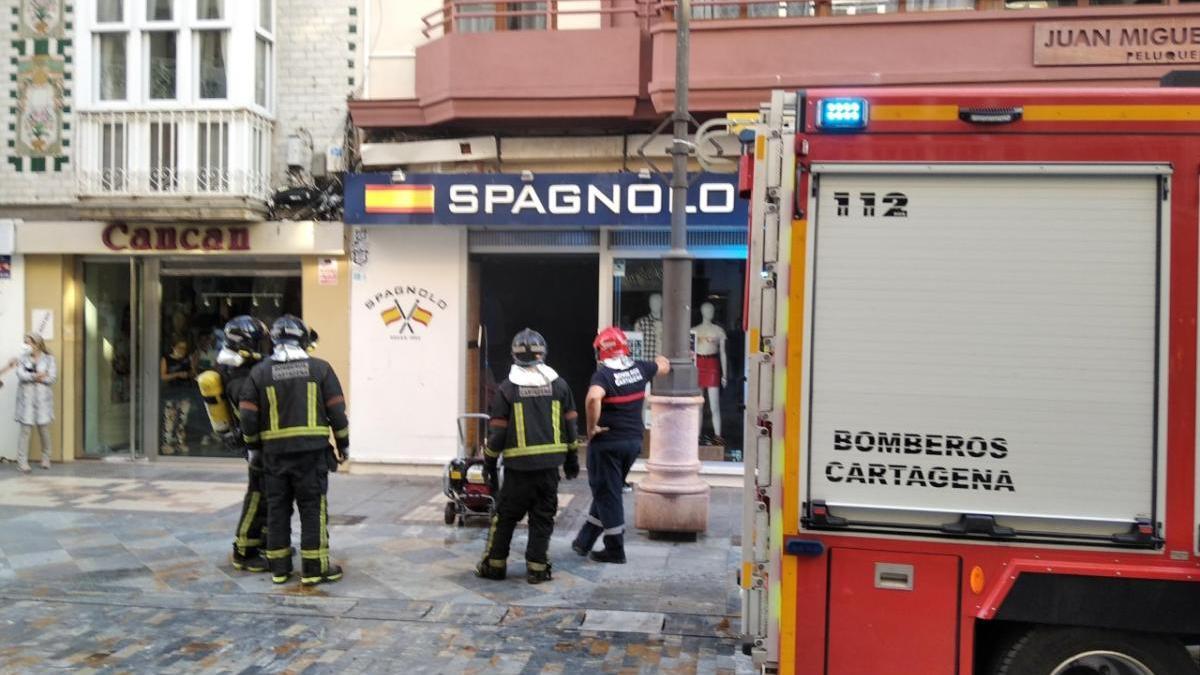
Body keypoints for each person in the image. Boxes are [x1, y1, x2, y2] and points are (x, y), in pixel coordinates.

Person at [239, 315, 349, 586]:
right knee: (313, 509)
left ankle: (279, 568)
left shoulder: (259, 373)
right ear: (303, 339)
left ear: (274, 340)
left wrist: (253, 449)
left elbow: (248, 418)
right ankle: (314, 569)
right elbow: (337, 411)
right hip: (312, 455)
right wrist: (343, 444)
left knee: (277, 509)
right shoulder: (320, 369)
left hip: (274, 456)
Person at [476, 329, 580, 585]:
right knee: (542, 518)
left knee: (506, 518)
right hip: (549, 471)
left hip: (518, 471)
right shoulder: (559, 385)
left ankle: (495, 565)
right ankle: (537, 568)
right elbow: (571, 426)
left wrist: (488, 461)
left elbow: (497, 435)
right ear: (543, 354)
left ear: (514, 355)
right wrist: (572, 459)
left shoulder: (507, 389)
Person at [572, 326, 669, 564]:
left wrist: (591, 427)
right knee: (609, 490)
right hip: (633, 442)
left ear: (601, 352)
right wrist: (658, 360)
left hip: (608, 444)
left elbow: (594, 397)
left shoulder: (603, 376)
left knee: (607, 494)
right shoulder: (640, 369)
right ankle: (584, 541)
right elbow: (663, 365)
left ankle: (615, 549)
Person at [198, 316, 270, 572]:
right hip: (254, 442)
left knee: (269, 494)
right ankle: (244, 549)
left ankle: (263, 539)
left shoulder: (239, 366)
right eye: (258, 342)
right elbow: (250, 410)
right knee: (258, 494)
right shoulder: (237, 374)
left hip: (256, 441)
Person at [10, 334, 57, 473]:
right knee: (25, 430)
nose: (26, 345)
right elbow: (20, 374)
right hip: (26, 399)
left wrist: (42, 378)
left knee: (43, 429)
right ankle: (22, 462)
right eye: (24, 343)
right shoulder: (22, 358)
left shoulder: (49, 359)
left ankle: (46, 457)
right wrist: (35, 376)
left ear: (37, 344)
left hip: (42, 399)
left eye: (28, 343)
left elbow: (52, 377)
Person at [160, 339, 195, 455]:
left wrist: (190, 371)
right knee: (170, 419)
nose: (182, 350)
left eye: (184, 348)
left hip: (184, 392)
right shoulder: (166, 359)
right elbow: (163, 376)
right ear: (173, 347)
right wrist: (177, 374)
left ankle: (180, 443)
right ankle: (167, 443)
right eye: (180, 347)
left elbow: (193, 373)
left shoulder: (187, 359)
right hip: (171, 392)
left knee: (182, 420)